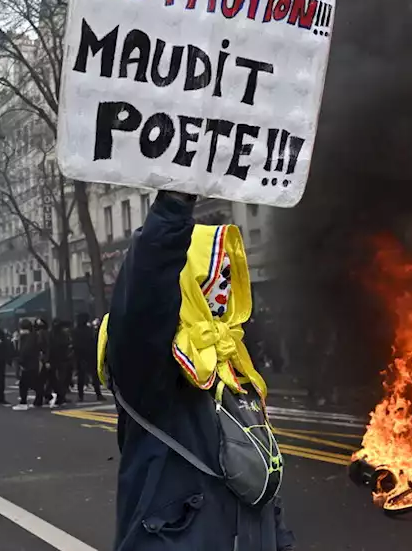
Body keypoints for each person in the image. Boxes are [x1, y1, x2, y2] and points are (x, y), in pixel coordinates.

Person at [105, 192, 293, 551]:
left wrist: (280, 540)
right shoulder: (150, 365)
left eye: (228, 273)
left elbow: (259, 471)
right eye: (212, 273)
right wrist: (174, 205)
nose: (223, 287)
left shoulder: (233, 364)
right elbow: (146, 295)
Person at [73, 313, 103, 402]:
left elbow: (75, 345)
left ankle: (80, 396)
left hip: (80, 356)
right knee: (94, 376)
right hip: (90, 355)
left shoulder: (75, 331)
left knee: (81, 377)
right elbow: (94, 342)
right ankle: (98, 394)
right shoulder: (90, 330)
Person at [14, 319, 43, 410]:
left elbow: (24, 350)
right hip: (32, 363)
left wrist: (20, 360)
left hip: (28, 364)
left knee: (27, 384)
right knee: (30, 383)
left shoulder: (27, 337)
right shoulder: (33, 336)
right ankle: (39, 399)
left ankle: (24, 402)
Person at [47, 319, 74, 408]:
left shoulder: (52, 334)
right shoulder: (61, 335)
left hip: (58, 359)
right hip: (61, 359)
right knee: (59, 379)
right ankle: (59, 396)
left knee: (56, 379)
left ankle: (58, 396)